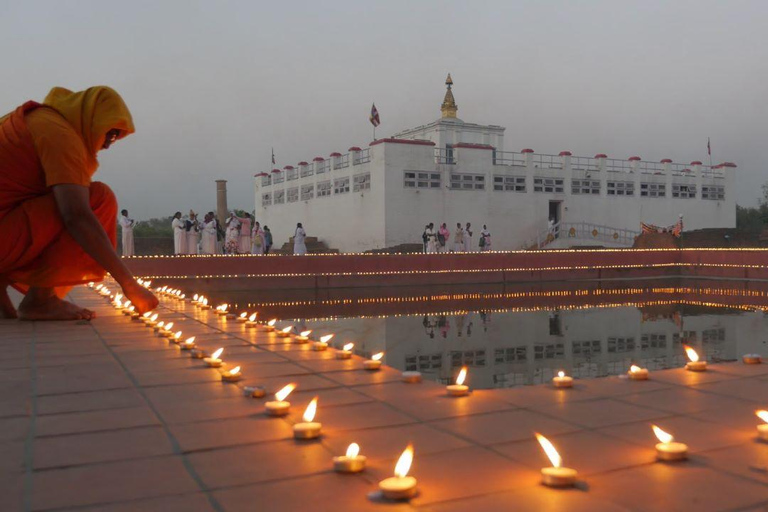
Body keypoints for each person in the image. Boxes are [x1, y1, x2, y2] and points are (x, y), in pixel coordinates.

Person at [0, 86, 157, 319]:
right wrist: (129, 284)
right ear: (92, 119)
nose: (107, 145)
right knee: (97, 199)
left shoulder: (41, 121)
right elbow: (76, 216)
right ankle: (41, 300)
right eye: (110, 134)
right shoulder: (58, 134)